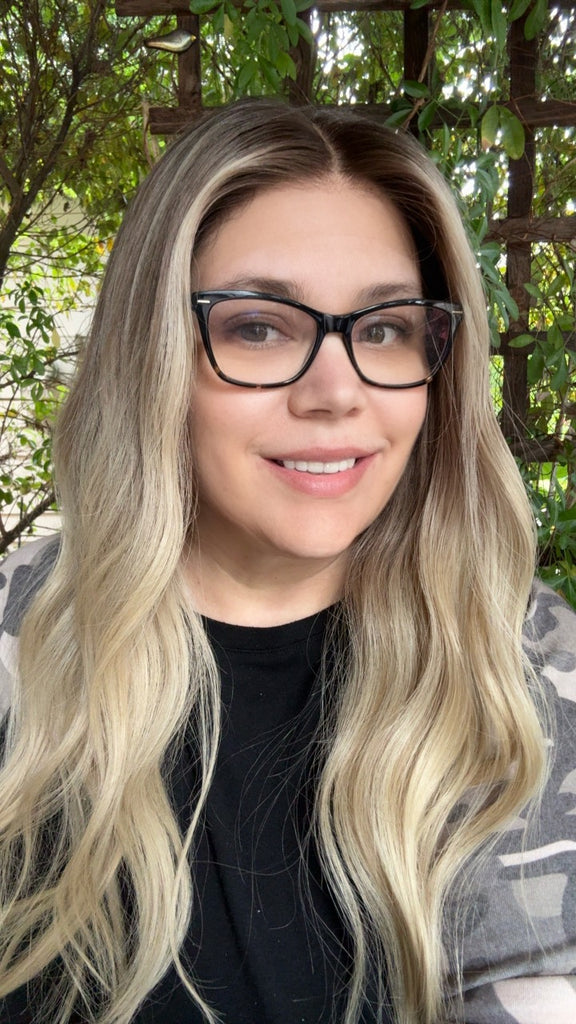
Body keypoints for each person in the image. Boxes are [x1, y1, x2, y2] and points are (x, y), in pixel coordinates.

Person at [0, 99, 575, 1024]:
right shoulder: (18, 650)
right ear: (152, 355)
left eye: (384, 328)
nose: (336, 393)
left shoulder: (538, 673)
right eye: (259, 327)